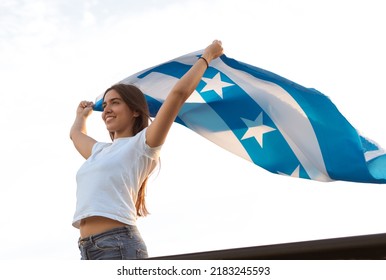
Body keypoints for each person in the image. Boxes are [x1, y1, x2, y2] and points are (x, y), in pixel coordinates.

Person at [70, 40, 223, 260]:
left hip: (118, 245)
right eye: (104, 106)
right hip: (87, 249)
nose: (107, 110)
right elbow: (75, 135)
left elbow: (177, 95)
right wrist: (81, 116)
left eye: (114, 103)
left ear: (134, 110)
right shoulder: (99, 151)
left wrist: (207, 57)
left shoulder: (144, 144)